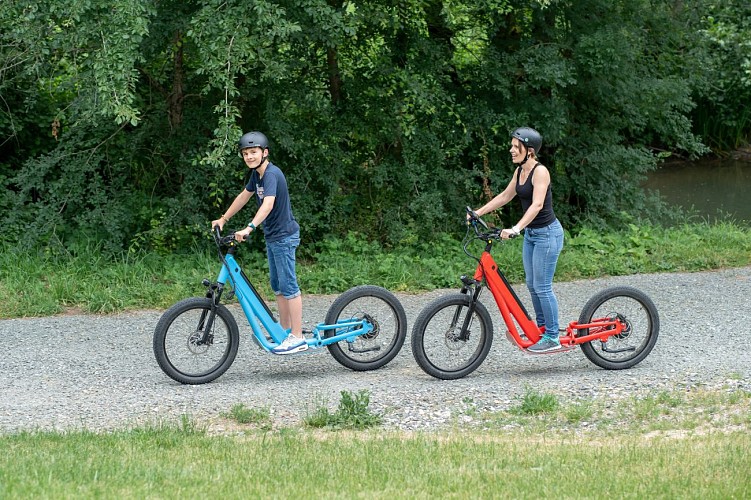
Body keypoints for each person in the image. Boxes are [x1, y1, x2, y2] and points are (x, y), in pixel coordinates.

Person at [211, 131, 307, 355]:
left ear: (265, 153)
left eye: (253, 152)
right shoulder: (257, 175)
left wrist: (249, 227)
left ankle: (298, 336)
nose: (249, 157)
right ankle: (283, 331)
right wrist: (224, 218)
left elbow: (268, 205)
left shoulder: (272, 174)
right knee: (278, 286)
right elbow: (244, 197)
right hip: (273, 237)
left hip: (284, 237)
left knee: (289, 287)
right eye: (245, 153)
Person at [472, 127, 565, 353]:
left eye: (516, 146)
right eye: (512, 146)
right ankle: (542, 328)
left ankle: (553, 336)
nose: (511, 150)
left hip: (547, 234)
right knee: (533, 286)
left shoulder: (540, 172)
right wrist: (478, 212)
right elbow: (505, 196)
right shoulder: (520, 171)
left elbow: (537, 204)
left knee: (542, 287)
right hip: (533, 235)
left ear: (529, 151)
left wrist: (515, 228)